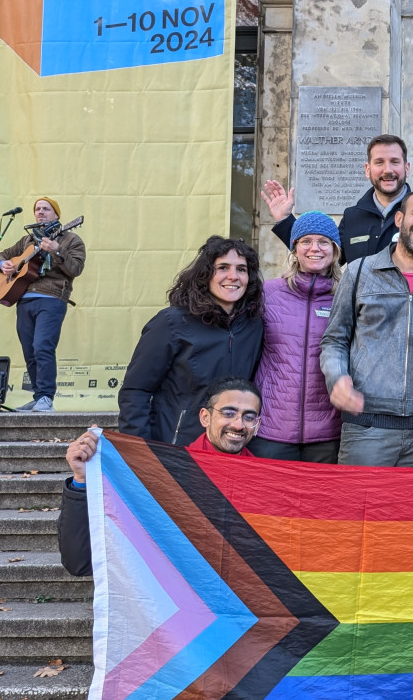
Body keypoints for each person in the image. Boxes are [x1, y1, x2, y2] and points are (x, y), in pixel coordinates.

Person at [58, 377, 263, 576]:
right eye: (229, 413)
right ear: (205, 417)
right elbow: (81, 561)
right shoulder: (162, 475)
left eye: (249, 417)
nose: (238, 425)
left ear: (258, 425)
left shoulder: (266, 485)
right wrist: (82, 481)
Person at [321, 189, 413, 467]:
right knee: (359, 509)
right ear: (399, 219)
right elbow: (335, 340)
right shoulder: (358, 272)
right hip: (366, 426)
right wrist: (337, 378)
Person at [261, 134, 413, 285]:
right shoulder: (352, 217)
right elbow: (321, 256)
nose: (388, 170)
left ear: (406, 168)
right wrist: (285, 220)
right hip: (362, 325)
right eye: (379, 162)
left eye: (395, 162)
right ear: (367, 169)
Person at [118, 237, 264, 446]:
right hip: (177, 447)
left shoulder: (254, 326)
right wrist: (142, 450)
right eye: (223, 267)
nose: (233, 276)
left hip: (231, 448)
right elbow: (136, 391)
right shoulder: (171, 322)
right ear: (205, 274)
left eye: (241, 269)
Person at [251, 211, 343, 462]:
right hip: (271, 429)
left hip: (327, 433)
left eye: (324, 242)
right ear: (295, 248)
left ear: (335, 250)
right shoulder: (267, 293)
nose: (315, 248)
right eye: (306, 241)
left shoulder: (346, 296)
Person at [0, 197, 86, 413]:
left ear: (56, 214)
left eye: (46, 209)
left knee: (42, 347)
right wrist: (2, 264)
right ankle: (38, 397)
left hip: (52, 299)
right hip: (24, 299)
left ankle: (46, 398)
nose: (40, 212)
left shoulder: (71, 239)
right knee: (29, 351)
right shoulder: (27, 241)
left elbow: (76, 269)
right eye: (37, 209)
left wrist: (56, 250)